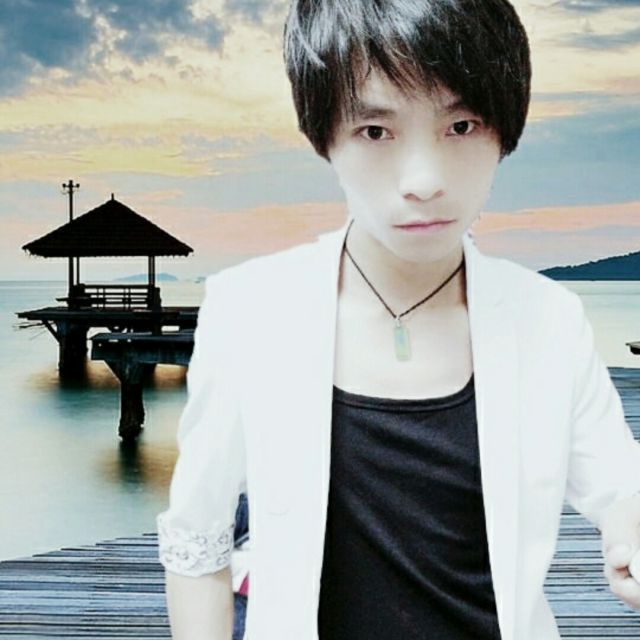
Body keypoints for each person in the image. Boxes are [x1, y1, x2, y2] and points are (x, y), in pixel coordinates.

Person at [156, 1, 640, 638]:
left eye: (461, 126)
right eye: (375, 132)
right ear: (324, 136)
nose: (423, 181)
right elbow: (198, 540)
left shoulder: (548, 317)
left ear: (503, 129)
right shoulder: (251, 309)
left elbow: (621, 486)